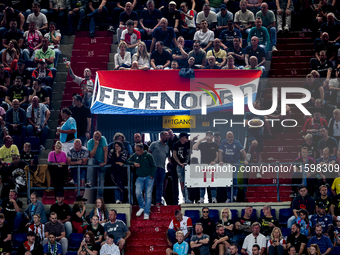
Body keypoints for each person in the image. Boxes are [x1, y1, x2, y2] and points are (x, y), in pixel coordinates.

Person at [126, 143, 157, 220]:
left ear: (142, 149)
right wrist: (134, 163)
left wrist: (152, 175)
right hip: (139, 178)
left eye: (138, 150)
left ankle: (147, 212)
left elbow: (154, 166)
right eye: (135, 150)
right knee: (137, 192)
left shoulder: (149, 155)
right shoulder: (135, 155)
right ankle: (142, 207)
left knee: (148, 195)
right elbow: (127, 161)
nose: (136, 152)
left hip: (149, 177)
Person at [218, 131, 248, 202]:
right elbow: (220, 152)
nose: (230, 138)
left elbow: (243, 151)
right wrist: (220, 161)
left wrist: (246, 160)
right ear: (226, 137)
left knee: (234, 180)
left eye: (231, 137)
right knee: (228, 181)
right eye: (229, 137)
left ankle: (234, 196)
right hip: (227, 164)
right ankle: (228, 197)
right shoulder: (223, 142)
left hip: (235, 163)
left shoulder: (237, 143)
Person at [193, 131, 219, 203]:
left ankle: (213, 198)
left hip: (212, 166)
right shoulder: (202, 144)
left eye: (210, 135)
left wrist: (215, 161)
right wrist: (201, 140)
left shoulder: (215, 145)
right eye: (207, 135)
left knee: (213, 182)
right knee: (203, 182)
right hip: (203, 166)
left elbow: (217, 156)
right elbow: (194, 147)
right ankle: (202, 198)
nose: (209, 137)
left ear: (212, 136)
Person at [149, 130, 169, 206]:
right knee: (151, 185)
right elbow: (148, 154)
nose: (168, 137)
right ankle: (149, 202)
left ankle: (158, 202)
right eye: (166, 135)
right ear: (161, 136)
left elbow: (167, 157)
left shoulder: (167, 147)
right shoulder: (154, 144)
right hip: (153, 168)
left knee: (160, 186)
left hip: (162, 168)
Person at [86, 131, 108, 198]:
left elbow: (106, 150)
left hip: (101, 160)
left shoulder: (103, 139)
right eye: (95, 136)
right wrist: (95, 145)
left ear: (100, 137)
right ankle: (89, 181)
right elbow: (91, 156)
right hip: (94, 159)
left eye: (98, 137)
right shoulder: (89, 142)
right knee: (90, 160)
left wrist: (105, 162)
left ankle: (100, 197)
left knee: (101, 179)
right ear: (93, 136)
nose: (96, 138)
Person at [172, 132, 191, 203]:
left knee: (187, 182)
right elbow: (174, 155)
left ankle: (187, 198)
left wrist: (186, 162)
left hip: (186, 166)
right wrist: (180, 164)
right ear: (182, 138)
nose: (187, 139)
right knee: (182, 182)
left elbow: (189, 154)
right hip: (179, 166)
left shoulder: (188, 143)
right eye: (186, 137)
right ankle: (184, 197)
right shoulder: (176, 144)